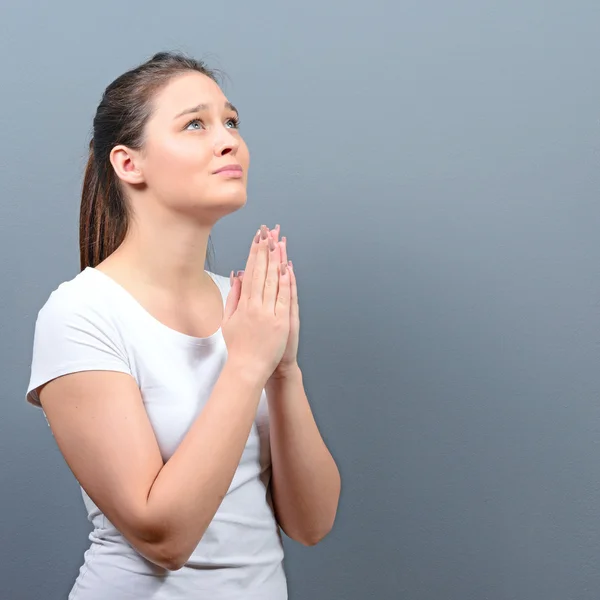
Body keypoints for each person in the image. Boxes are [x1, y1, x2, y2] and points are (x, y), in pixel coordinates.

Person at [25, 51, 341, 600]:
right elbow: (165, 537)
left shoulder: (245, 309)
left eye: (231, 121)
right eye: (195, 124)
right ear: (129, 164)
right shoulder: (82, 314)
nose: (228, 141)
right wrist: (245, 366)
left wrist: (283, 369)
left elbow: (311, 525)